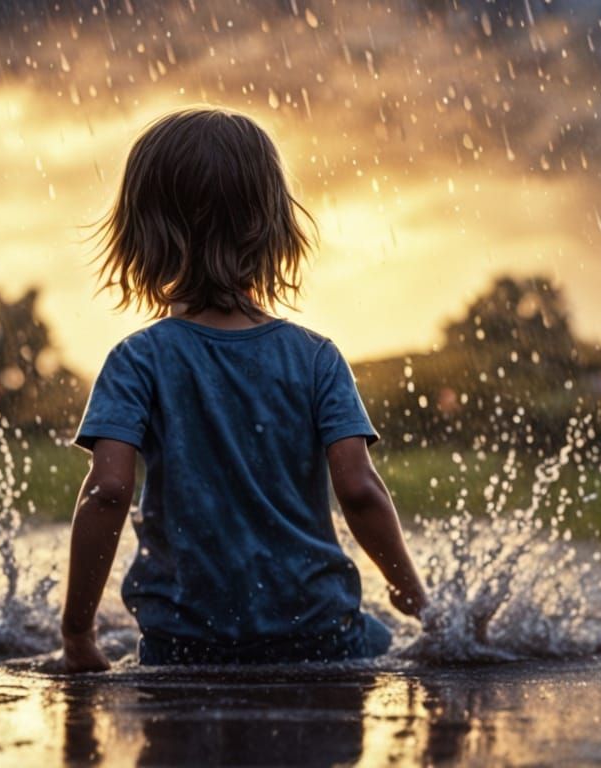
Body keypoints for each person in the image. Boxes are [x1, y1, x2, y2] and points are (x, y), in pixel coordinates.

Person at [61, 107, 428, 671]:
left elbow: (107, 491)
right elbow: (358, 488)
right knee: (382, 642)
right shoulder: (316, 358)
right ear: (273, 227)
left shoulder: (137, 360)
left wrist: (77, 634)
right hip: (317, 636)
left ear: (140, 233)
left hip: (183, 641)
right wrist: (414, 595)